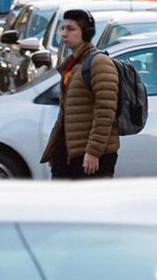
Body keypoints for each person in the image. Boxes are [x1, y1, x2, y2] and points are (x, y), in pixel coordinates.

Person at [39, 9, 120, 179]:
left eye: (71, 29)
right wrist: (55, 150)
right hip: (68, 153)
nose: (64, 33)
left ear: (86, 33)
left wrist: (94, 152)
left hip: (88, 156)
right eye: (63, 28)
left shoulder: (99, 63)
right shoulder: (72, 65)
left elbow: (106, 111)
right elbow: (65, 113)